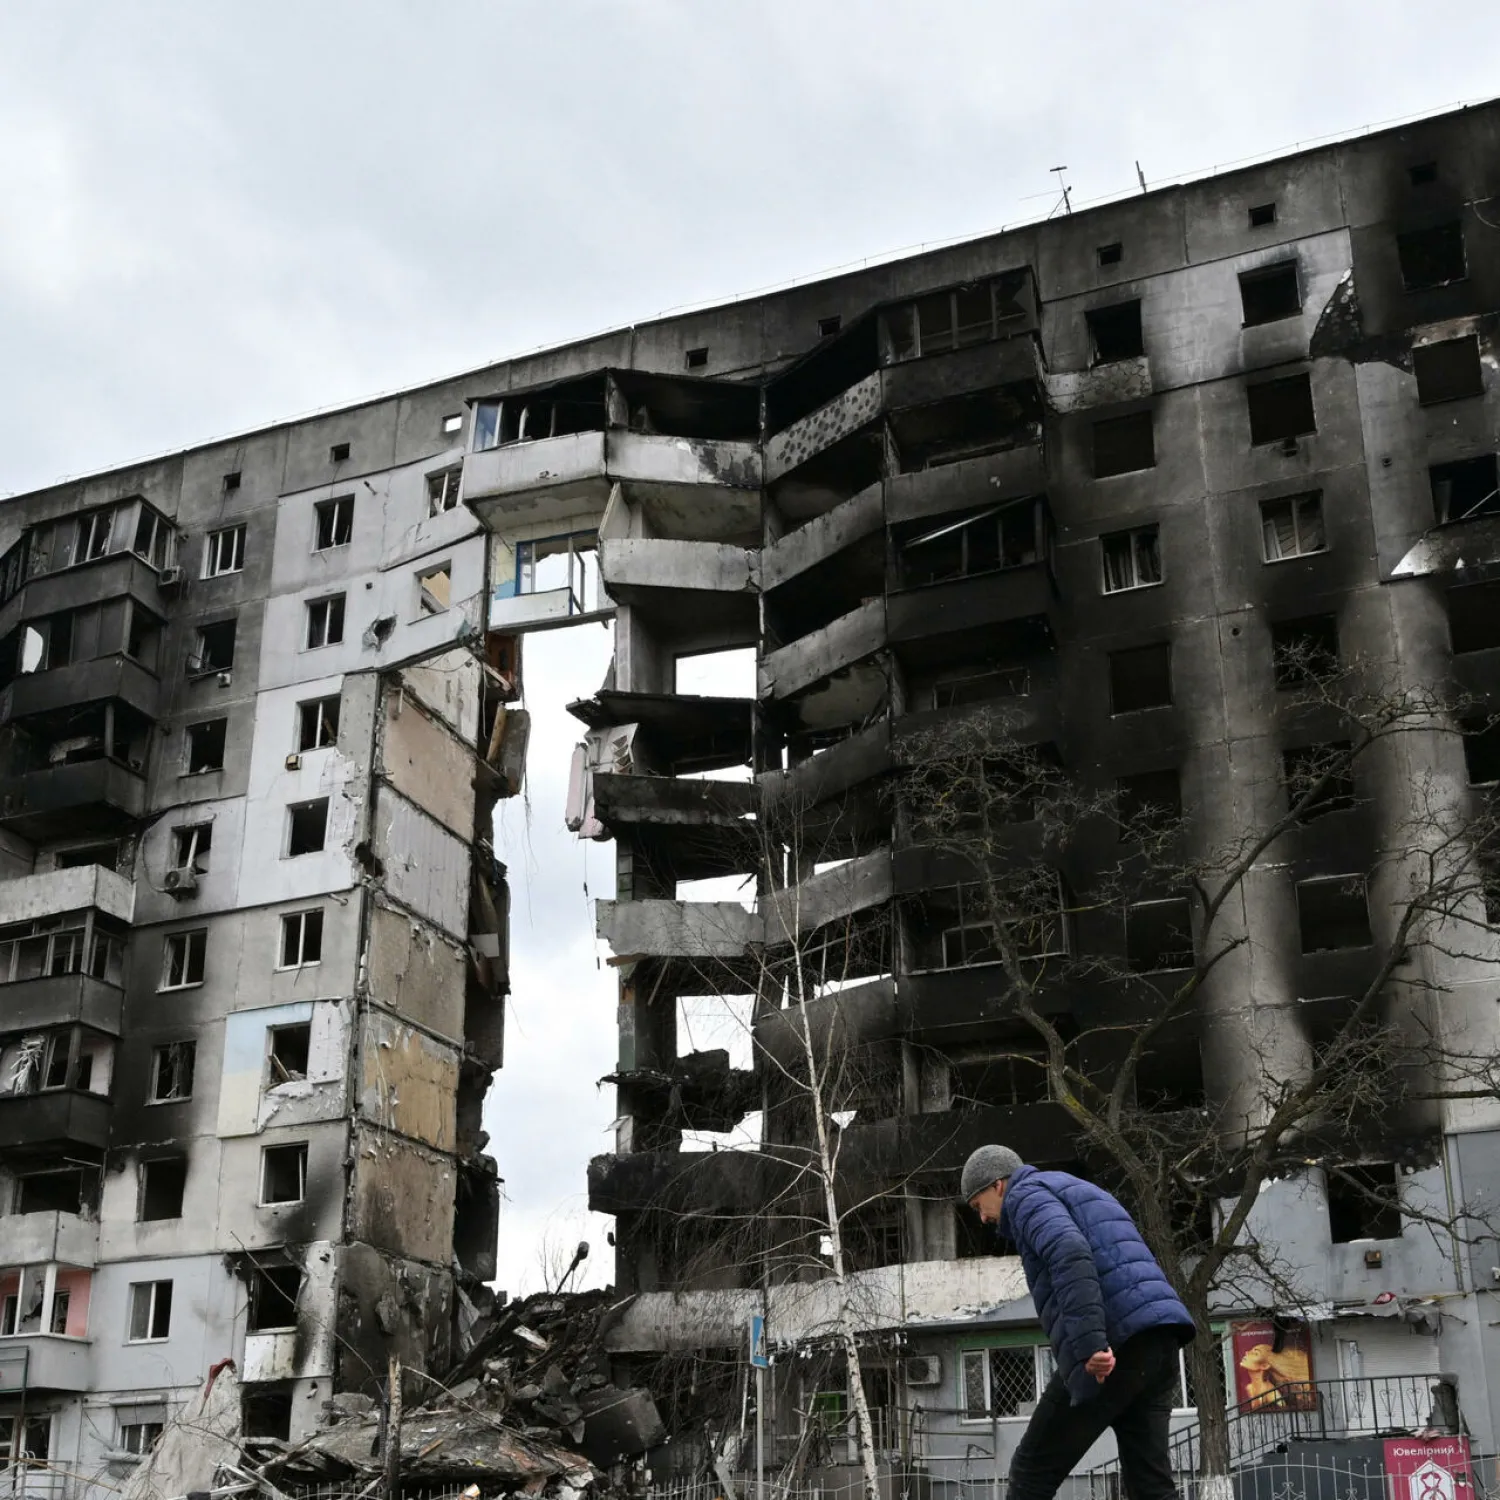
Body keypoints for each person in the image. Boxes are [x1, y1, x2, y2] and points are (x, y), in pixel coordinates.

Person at [960, 1145, 1196, 1500]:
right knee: (1151, 1485)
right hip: (1159, 1338)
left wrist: (1090, 1346)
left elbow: (1069, 1250)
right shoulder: (1073, 1188)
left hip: (1115, 1345)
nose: (983, 1218)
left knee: (1031, 1470)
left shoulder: (1025, 1197)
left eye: (979, 1206)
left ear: (998, 1185)